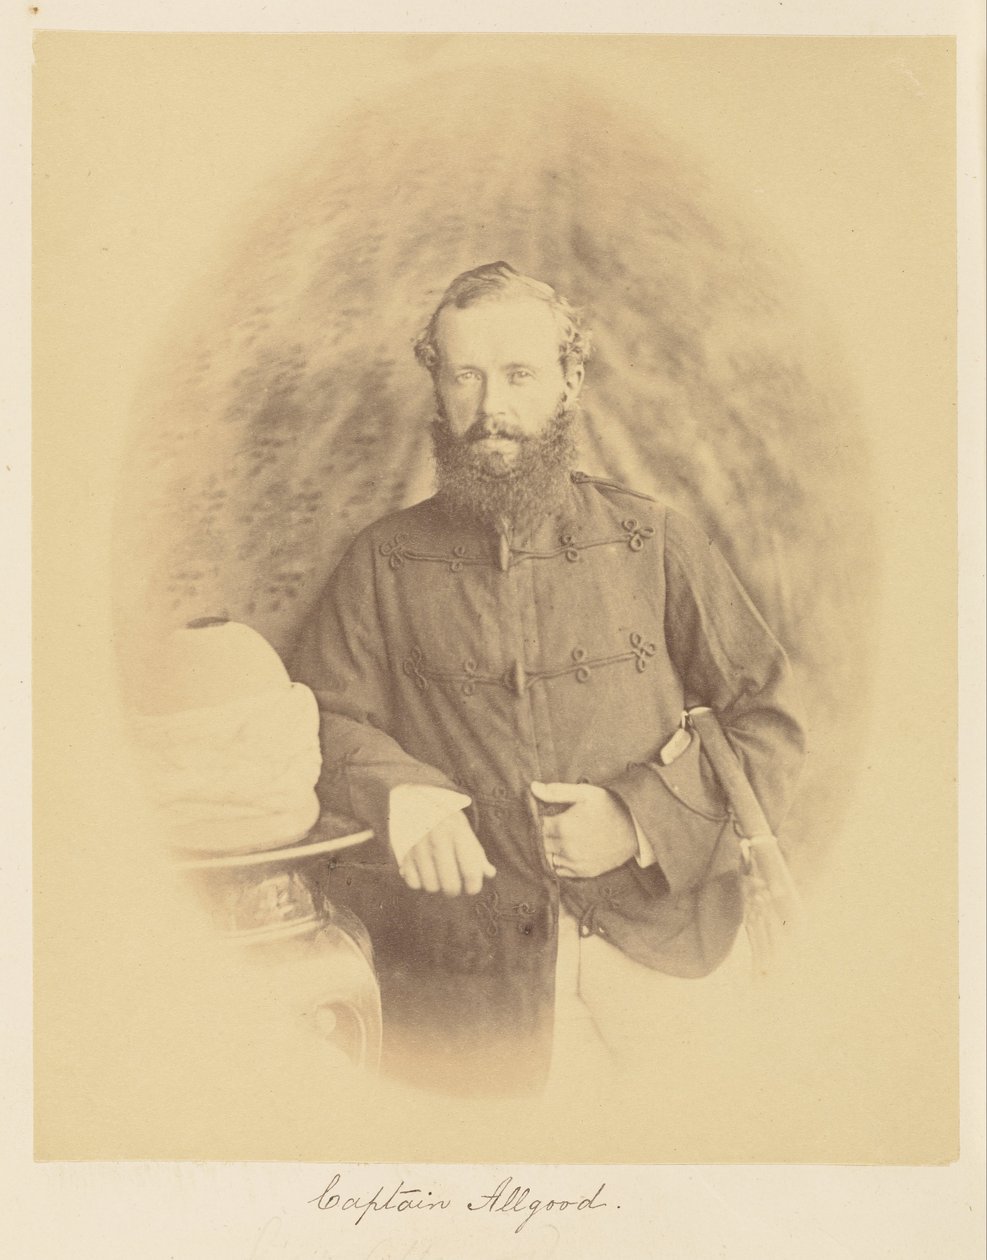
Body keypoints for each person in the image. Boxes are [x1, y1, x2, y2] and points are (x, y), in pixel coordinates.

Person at [293, 261, 806, 1095]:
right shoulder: (382, 559)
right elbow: (317, 715)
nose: (490, 407)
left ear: (569, 382)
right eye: (465, 375)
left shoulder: (655, 540)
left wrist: (637, 821)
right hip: (476, 979)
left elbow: (769, 723)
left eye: (519, 375)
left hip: (668, 955)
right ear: (438, 387)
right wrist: (405, 795)